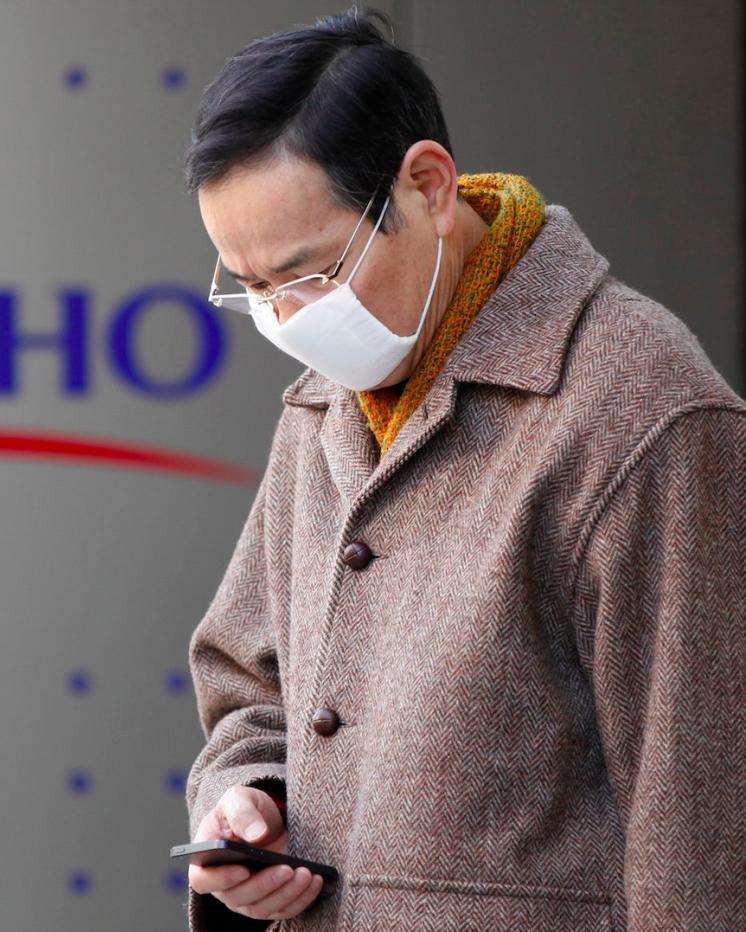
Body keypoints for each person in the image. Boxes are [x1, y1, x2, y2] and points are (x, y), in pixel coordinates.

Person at [181, 6, 746, 931]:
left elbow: (703, 827)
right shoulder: (326, 399)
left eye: (311, 273)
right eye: (250, 289)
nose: (288, 318)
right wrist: (249, 805)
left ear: (430, 186)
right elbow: (250, 688)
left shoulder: (646, 406)